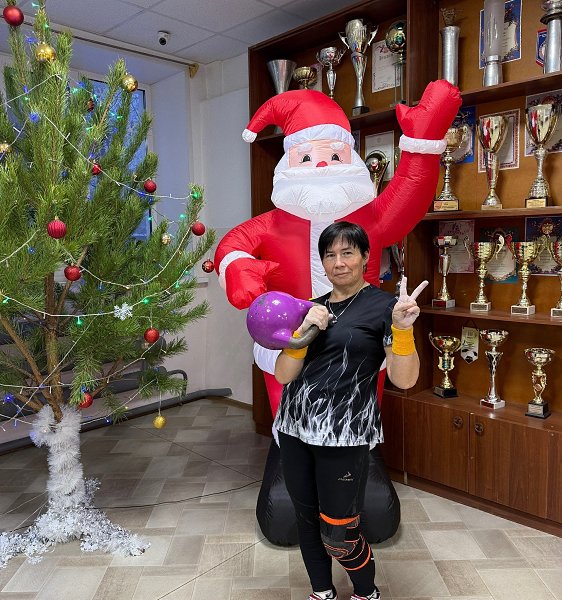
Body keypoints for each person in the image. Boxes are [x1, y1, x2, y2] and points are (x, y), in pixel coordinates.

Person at [215, 80, 461, 418]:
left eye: (334, 155)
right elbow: (234, 243)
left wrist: (423, 141)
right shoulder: (271, 224)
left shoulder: (370, 218)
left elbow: (410, 192)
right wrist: (237, 267)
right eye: (306, 157)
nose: (321, 166)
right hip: (290, 347)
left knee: (355, 427)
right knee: (290, 426)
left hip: (357, 349)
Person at [273, 222, 427, 600]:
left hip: (344, 434)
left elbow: (405, 379)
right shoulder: (312, 306)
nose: (338, 262)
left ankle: (365, 592)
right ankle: (322, 591)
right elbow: (284, 374)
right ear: (322, 263)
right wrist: (300, 334)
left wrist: (402, 329)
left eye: (347, 253)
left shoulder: (386, 308)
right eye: (330, 255)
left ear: (364, 257)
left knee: (339, 532)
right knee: (306, 519)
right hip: (294, 428)